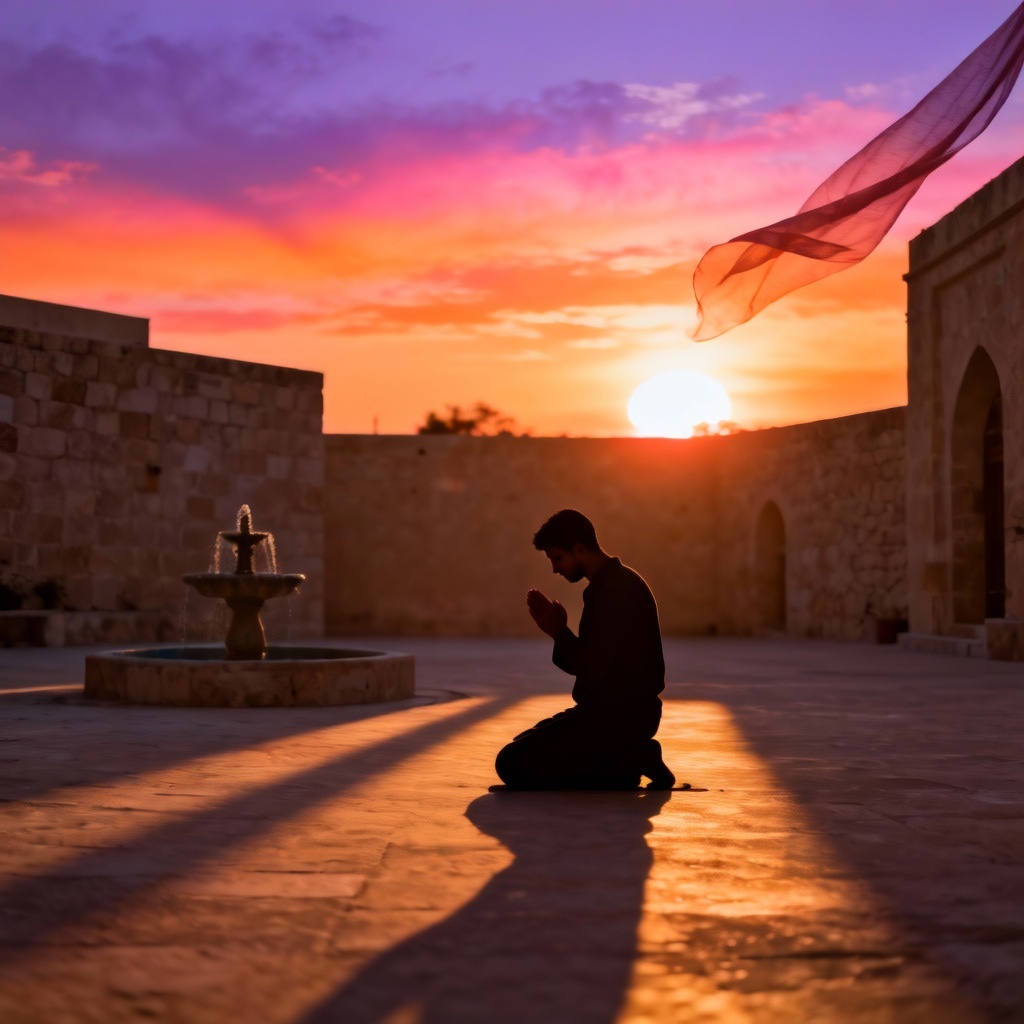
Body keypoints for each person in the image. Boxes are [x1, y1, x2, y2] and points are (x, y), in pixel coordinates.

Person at [495, 509, 675, 790]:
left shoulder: (617, 590)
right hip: (607, 714)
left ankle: (632, 759)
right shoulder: (607, 586)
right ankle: (624, 760)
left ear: (579, 549)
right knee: (524, 744)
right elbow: (595, 663)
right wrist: (558, 633)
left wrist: (559, 632)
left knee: (511, 764)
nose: (555, 569)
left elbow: (591, 667)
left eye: (557, 558)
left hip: (622, 719)